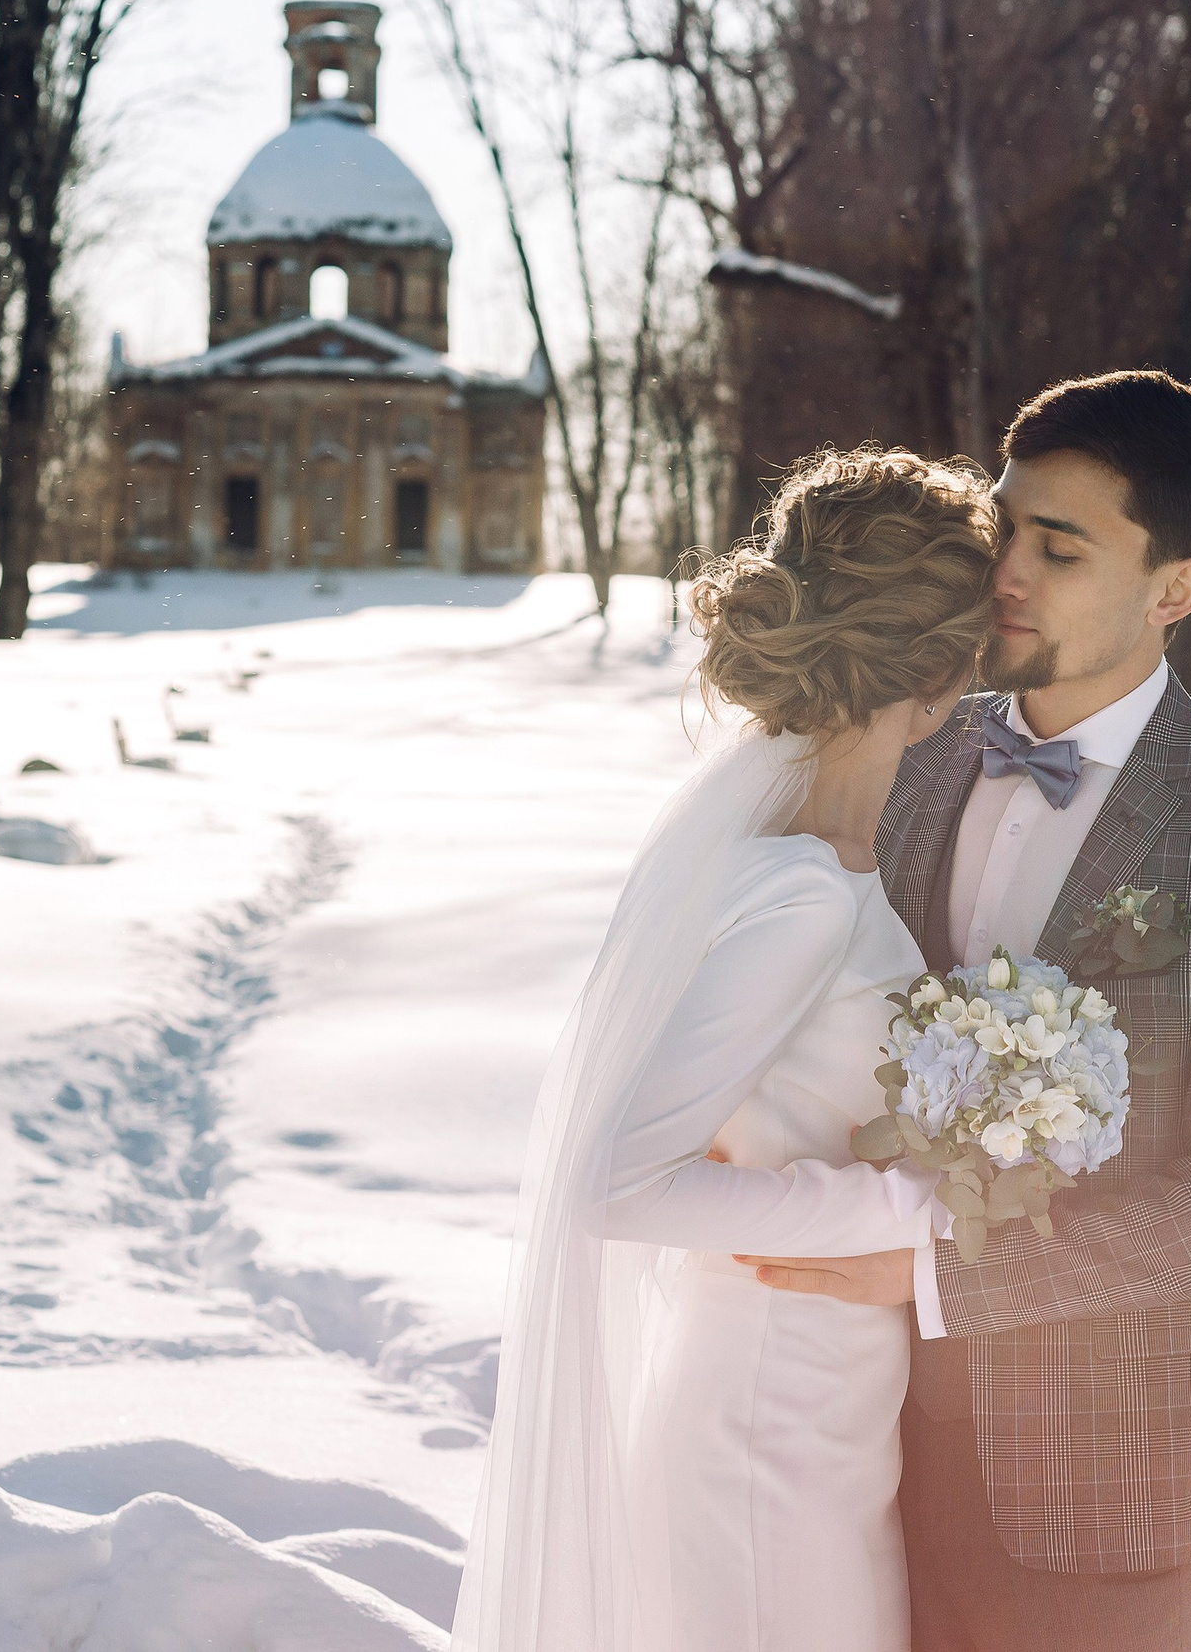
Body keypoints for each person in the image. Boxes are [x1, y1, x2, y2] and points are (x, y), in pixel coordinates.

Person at [742, 371, 1191, 1651]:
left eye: (1057, 547)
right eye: (1005, 527)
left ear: (1173, 589)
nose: (1004, 571)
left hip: (1101, 1478)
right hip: (838, 1437)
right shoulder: (904, 749)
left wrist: (934, 1273)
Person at [456, 448, 1001, 1652]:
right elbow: (616, 1186)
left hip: (819, 1403)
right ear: (935, 677)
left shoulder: (824, 860)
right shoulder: (801, 892)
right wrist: (910, 1208)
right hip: (765, 1415)